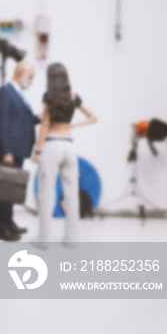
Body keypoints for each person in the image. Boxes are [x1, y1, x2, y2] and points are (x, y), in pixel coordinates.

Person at [31, 62, 97, 246]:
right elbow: (93, 117)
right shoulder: (74, 97)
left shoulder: (48, 96)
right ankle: (71, 239)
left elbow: (44, 125)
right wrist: (72, 126)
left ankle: (43, 239)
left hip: (52, 145)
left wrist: (37, 150)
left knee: (46, 194)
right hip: (69, 146)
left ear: (50, 79)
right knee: (72, 195)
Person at [0, 60, 40, 241]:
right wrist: (6, 151)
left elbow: (20, 122)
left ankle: (8, 223)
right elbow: (2, 124)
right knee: (3, 190)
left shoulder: (17, 94)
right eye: (31, 77)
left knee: (10, 189)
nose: (32, 81)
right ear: (22, 73)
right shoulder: (5, 93)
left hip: (18, 149)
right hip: (10, 150)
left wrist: (37, 118)